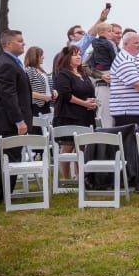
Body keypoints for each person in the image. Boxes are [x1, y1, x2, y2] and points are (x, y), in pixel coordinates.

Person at [0, 30, 33, 202]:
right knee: (10, 157)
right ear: (8, 44)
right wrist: (19, 120)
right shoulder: (6, 64)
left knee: (12, 155)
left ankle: (6, 194)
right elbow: (9, 95)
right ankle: (3, 197)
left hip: (13, 119)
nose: (24, 43)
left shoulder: (13, 62)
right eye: (20, 41)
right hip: (10, 120)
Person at [53, 45, 98, 183]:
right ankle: (65, 179)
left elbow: (88, 91)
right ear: (67, 57)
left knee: (83, 147)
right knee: (68, 146)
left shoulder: (83, 73)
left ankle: (80, 177)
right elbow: (66, 95)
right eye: (75, 55)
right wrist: (84, 103)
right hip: (69, 116)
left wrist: (92, 101)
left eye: (80, 54)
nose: (79, 57)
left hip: (86, 116)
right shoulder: (63, 74)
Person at [89, 23, 118, 128]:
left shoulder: (95, 44)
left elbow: (92, 64)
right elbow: (114, 59)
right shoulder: (109, 44)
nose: (112, 34)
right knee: (106, 115)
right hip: (107, 78)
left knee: (103, 114)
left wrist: (98, 72)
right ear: (102, 32)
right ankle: (108, 140)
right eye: (110, 31)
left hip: (100, 72)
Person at [24, 46, 53, 118]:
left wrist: (53, 92)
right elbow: (26, 91)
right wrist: (44, 97)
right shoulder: (29, 70)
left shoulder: (42, 70)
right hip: (36, 107)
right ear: (34, 57)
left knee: (46, 128)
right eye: (41, 55)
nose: (43, 57)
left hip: (46, 105)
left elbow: (47, 86)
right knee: (38, 128)